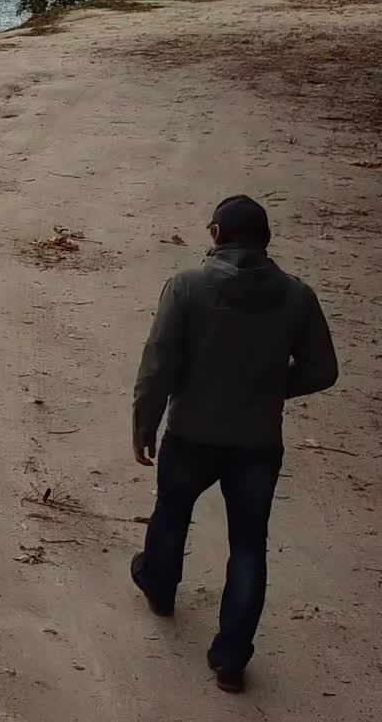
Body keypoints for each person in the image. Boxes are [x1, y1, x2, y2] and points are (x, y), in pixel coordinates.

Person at [131, 195, 338, 693]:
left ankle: (159, 587)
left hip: (191, 432)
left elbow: (158, 365)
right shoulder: (298, 296)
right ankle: (230, 659)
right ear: (265, 240)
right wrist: (271, 387)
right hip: (258, 443)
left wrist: (144, 426)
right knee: (248, 544)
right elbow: (323, 370)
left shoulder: (186, 286)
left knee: (172, 511)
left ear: (217, 234)